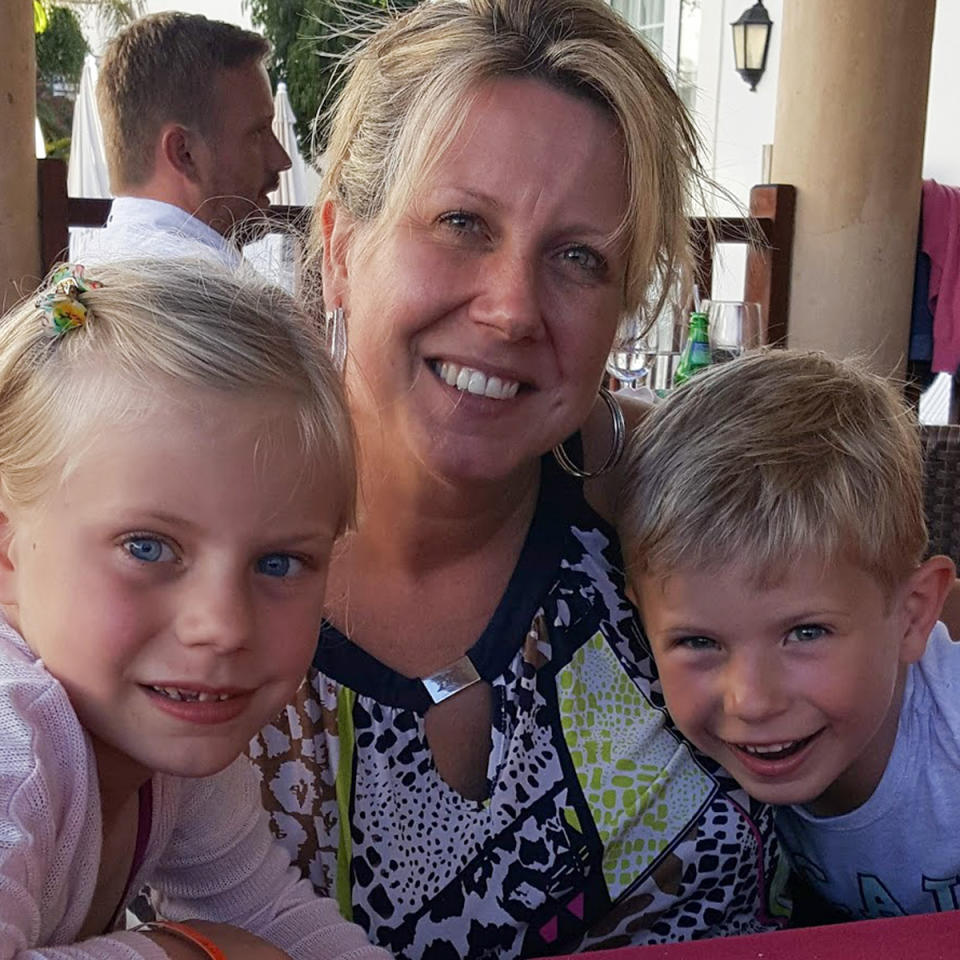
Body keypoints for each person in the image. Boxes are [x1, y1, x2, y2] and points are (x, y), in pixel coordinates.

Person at [251, 1, 786, 956]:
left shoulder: (679, 519)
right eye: (462, 222)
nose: (510, 309)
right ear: (338, 249)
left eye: (579, 257)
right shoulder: (182, 561)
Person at [0, 260, 390, 960]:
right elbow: (241, 939)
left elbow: (267, 912)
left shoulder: (168, 737)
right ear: (7, 552)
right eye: (148, 547)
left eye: (279, 563)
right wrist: (190, 952)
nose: (223, 626)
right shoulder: (12, 740)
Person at [619, 349, 959, 923]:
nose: (751, 701)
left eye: (805, 633)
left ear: (912, 614)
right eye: (698, 642)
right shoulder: (678, 766)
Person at [88, 12, 291, 267]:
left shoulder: (85, 279)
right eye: (257, 133)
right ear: (184, 153)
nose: (281, 159)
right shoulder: (215, 295)